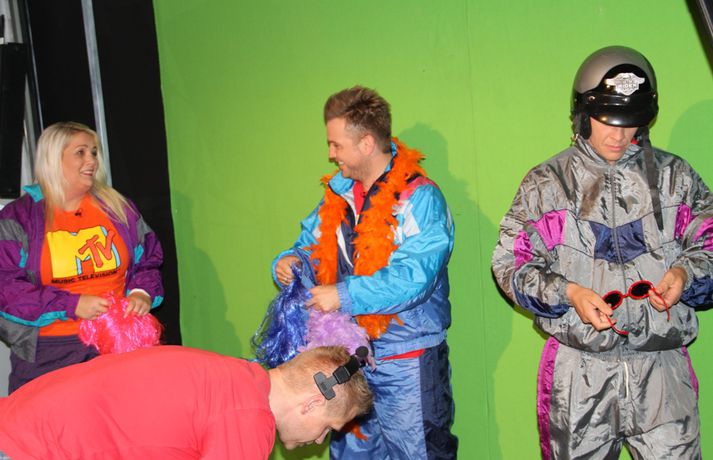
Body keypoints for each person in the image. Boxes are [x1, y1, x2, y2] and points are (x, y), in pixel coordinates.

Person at [492, 45, 713, 459]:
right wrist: (569, 293)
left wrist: (686, 274)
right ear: (582, 114)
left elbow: (711, 242)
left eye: (629, 122)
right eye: (607, 119)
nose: (618, 135)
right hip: (579, 377)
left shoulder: (675, 179)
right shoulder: (547, 185)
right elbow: (511, 264)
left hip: (663, 374)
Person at [273, 86, 458, 459]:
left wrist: (344, 295)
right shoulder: (338, 196)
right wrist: (290, 262)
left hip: (407, 361)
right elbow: (310, 248)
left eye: (336, 145)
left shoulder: (420, 198)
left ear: (367, 143)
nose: (331, 154)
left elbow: (414, 278)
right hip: (347, 359)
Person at [0, 121, 163, 393]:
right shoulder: (18, 218)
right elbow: (6, 288)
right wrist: (72, 304)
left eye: (94, 152)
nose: (92, 161)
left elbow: (147, 259)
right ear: (54, 158)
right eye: (81, 152)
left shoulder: (117, 207)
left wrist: (141, 293)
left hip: (117, 343)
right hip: (50, 352)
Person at [0, 344, 373, 458]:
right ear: (311, 403)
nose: (321, 440)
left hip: (20, 424)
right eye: (328, 428)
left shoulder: (235, 378)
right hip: (32, 447)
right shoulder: (249, 417)